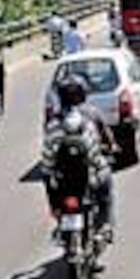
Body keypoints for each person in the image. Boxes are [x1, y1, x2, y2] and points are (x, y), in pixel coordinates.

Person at [42, 75, 116, 241]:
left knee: (48, 180)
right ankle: (103, 225)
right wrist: (109, 153)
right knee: (106, 183)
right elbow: (96, 151)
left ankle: (59, 218)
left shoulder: (53, 125)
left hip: (63, 185)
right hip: (88, 179)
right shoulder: (89, 119)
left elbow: (47, 161)